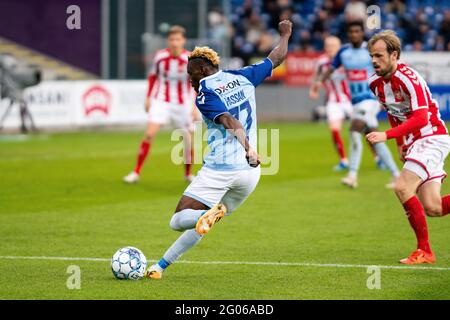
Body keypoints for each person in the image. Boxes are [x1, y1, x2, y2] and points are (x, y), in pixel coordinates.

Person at [144, 20, 293, 279]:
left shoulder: (205, 93)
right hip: (250, 175)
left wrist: (248, 148)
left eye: (191, 74)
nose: (190, 80)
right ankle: (160, 267)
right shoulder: (243, 76)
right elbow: (276, 58)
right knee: (202, 224)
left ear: (203, 69)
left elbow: (229, 121)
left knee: (178, 220)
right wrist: (286, 35)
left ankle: (207, 213)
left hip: (222, 169)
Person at [366, 30, 450, 264]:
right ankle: (425, 251)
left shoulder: (409, 78)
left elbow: (422, 119)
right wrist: (401, 144)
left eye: (379, 55)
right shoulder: (375, 83)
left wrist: (386, 135)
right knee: (433, 207)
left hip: (432, 136)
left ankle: (425, 251)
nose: (374, 60)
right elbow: (393, 113)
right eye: (372, 56)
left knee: (402, 187)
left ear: (394, 55)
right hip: (415, 142)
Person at [312, 20, 400, 188]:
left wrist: (385, 95)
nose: (354, 34)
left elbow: (385, 69)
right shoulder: (343, 52)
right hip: (356, 103)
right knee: (375, 138)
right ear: (348, 34)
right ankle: (397, 175)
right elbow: (330, 69)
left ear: (362, 33)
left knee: (354, 130)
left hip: (371, 100)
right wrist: (318, 83)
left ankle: (352, 175)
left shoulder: (371, 50)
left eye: (357, 31)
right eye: (351, 32)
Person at [123, 26, 197, 184]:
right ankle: (136, 172)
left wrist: (195, 105)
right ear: (168, 41)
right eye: (172, 39)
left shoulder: (190, 59)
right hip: (161, 101)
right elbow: (152, 77)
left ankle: (188, 174)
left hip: (183, 104)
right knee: (149, 134)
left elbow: (195, 83)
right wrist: (148, 97)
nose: (175, 43)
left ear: (183, 41)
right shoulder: (160, 57)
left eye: (178, 39)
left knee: (188, 140)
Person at [310, 36, 352, 171]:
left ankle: (377, 157)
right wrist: (314, 90)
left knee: (366, 129)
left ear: (339, 47)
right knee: (334, 129)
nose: (330, 49)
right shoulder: (321, 62)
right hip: (333, 100)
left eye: (333, 46)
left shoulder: (347, 59)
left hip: (351, 100)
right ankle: (343, 160)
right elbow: (317, 77)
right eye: (328, 46)